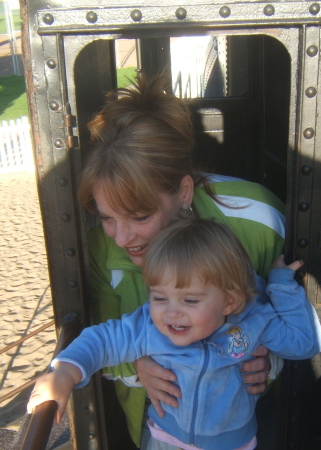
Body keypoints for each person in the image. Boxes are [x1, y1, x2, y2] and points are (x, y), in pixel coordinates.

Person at [75, 73, 286, 447]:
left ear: (184, 191)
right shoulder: (97, 247)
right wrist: (138, 365)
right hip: (158, 426)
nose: (121, 238)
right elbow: (106, 336)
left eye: (140, 216)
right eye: (108, 217)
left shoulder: (259, 221)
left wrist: (271, 362)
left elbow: (288, 315)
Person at [27, 218, 321, 450]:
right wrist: (64, 372)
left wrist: (282, 286)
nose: (171, 313)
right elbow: (103, 340)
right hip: (164, 438)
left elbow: (306, 343)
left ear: (229, 301)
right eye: (159, 297)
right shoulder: (150, 326)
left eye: (190, 300)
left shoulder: (253, 321)